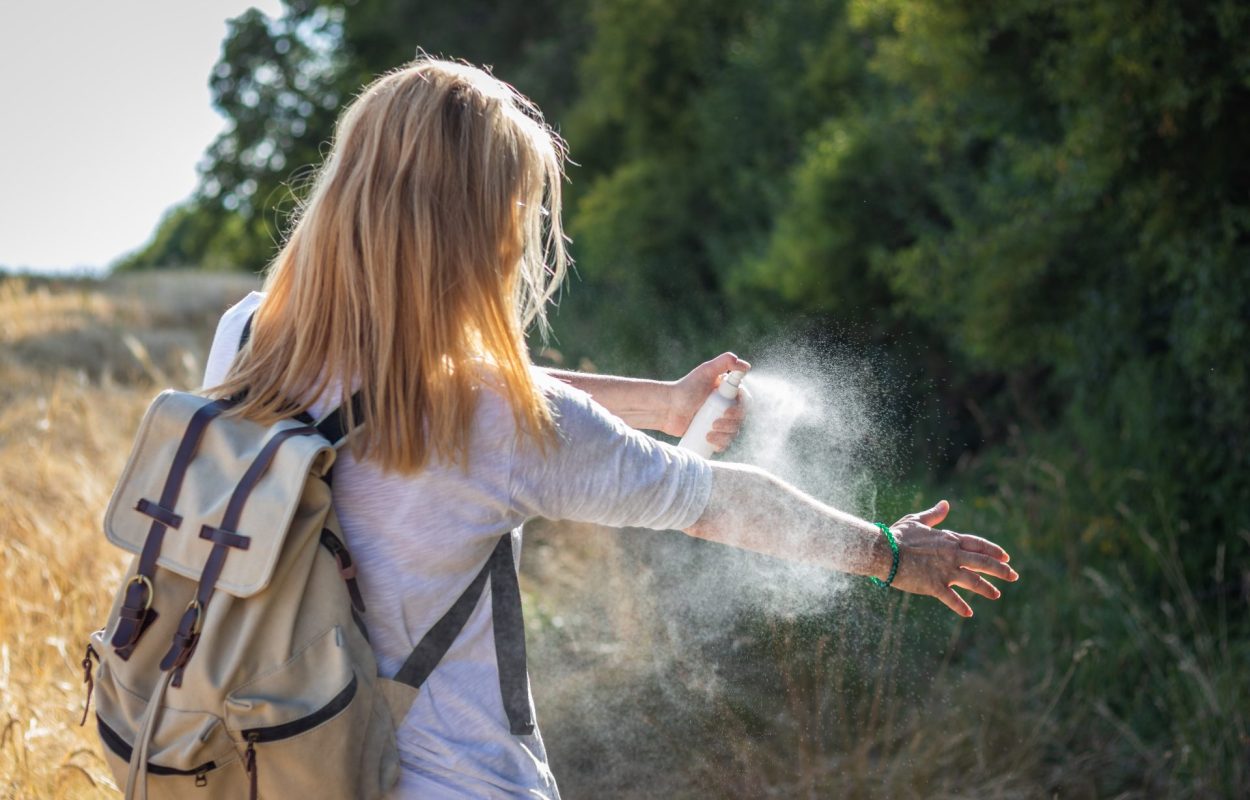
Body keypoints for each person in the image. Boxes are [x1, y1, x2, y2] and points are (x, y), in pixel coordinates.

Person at [203, 57, 1018, 800]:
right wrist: (891, 553)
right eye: (516, 204)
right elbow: (715, 501)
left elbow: (433, 376)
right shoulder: (493, 419)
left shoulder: (249, 339)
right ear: (479, 220)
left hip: (275, 769)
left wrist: (662, 405)